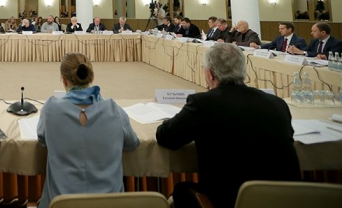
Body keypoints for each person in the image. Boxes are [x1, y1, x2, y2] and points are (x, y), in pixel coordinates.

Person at [156, 43, 300, 208]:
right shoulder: (277, 103)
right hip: (286, 200)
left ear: (209, 74)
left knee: (180, 191)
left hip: (228, 200)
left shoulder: (203, 103)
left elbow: (166, 137)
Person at [37, 52, 139, 208]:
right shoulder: (114, 111)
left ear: (64, 80)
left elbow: (42, 139)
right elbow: (132, 144)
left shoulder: (50, 109)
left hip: (61, 204)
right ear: (92, 78)